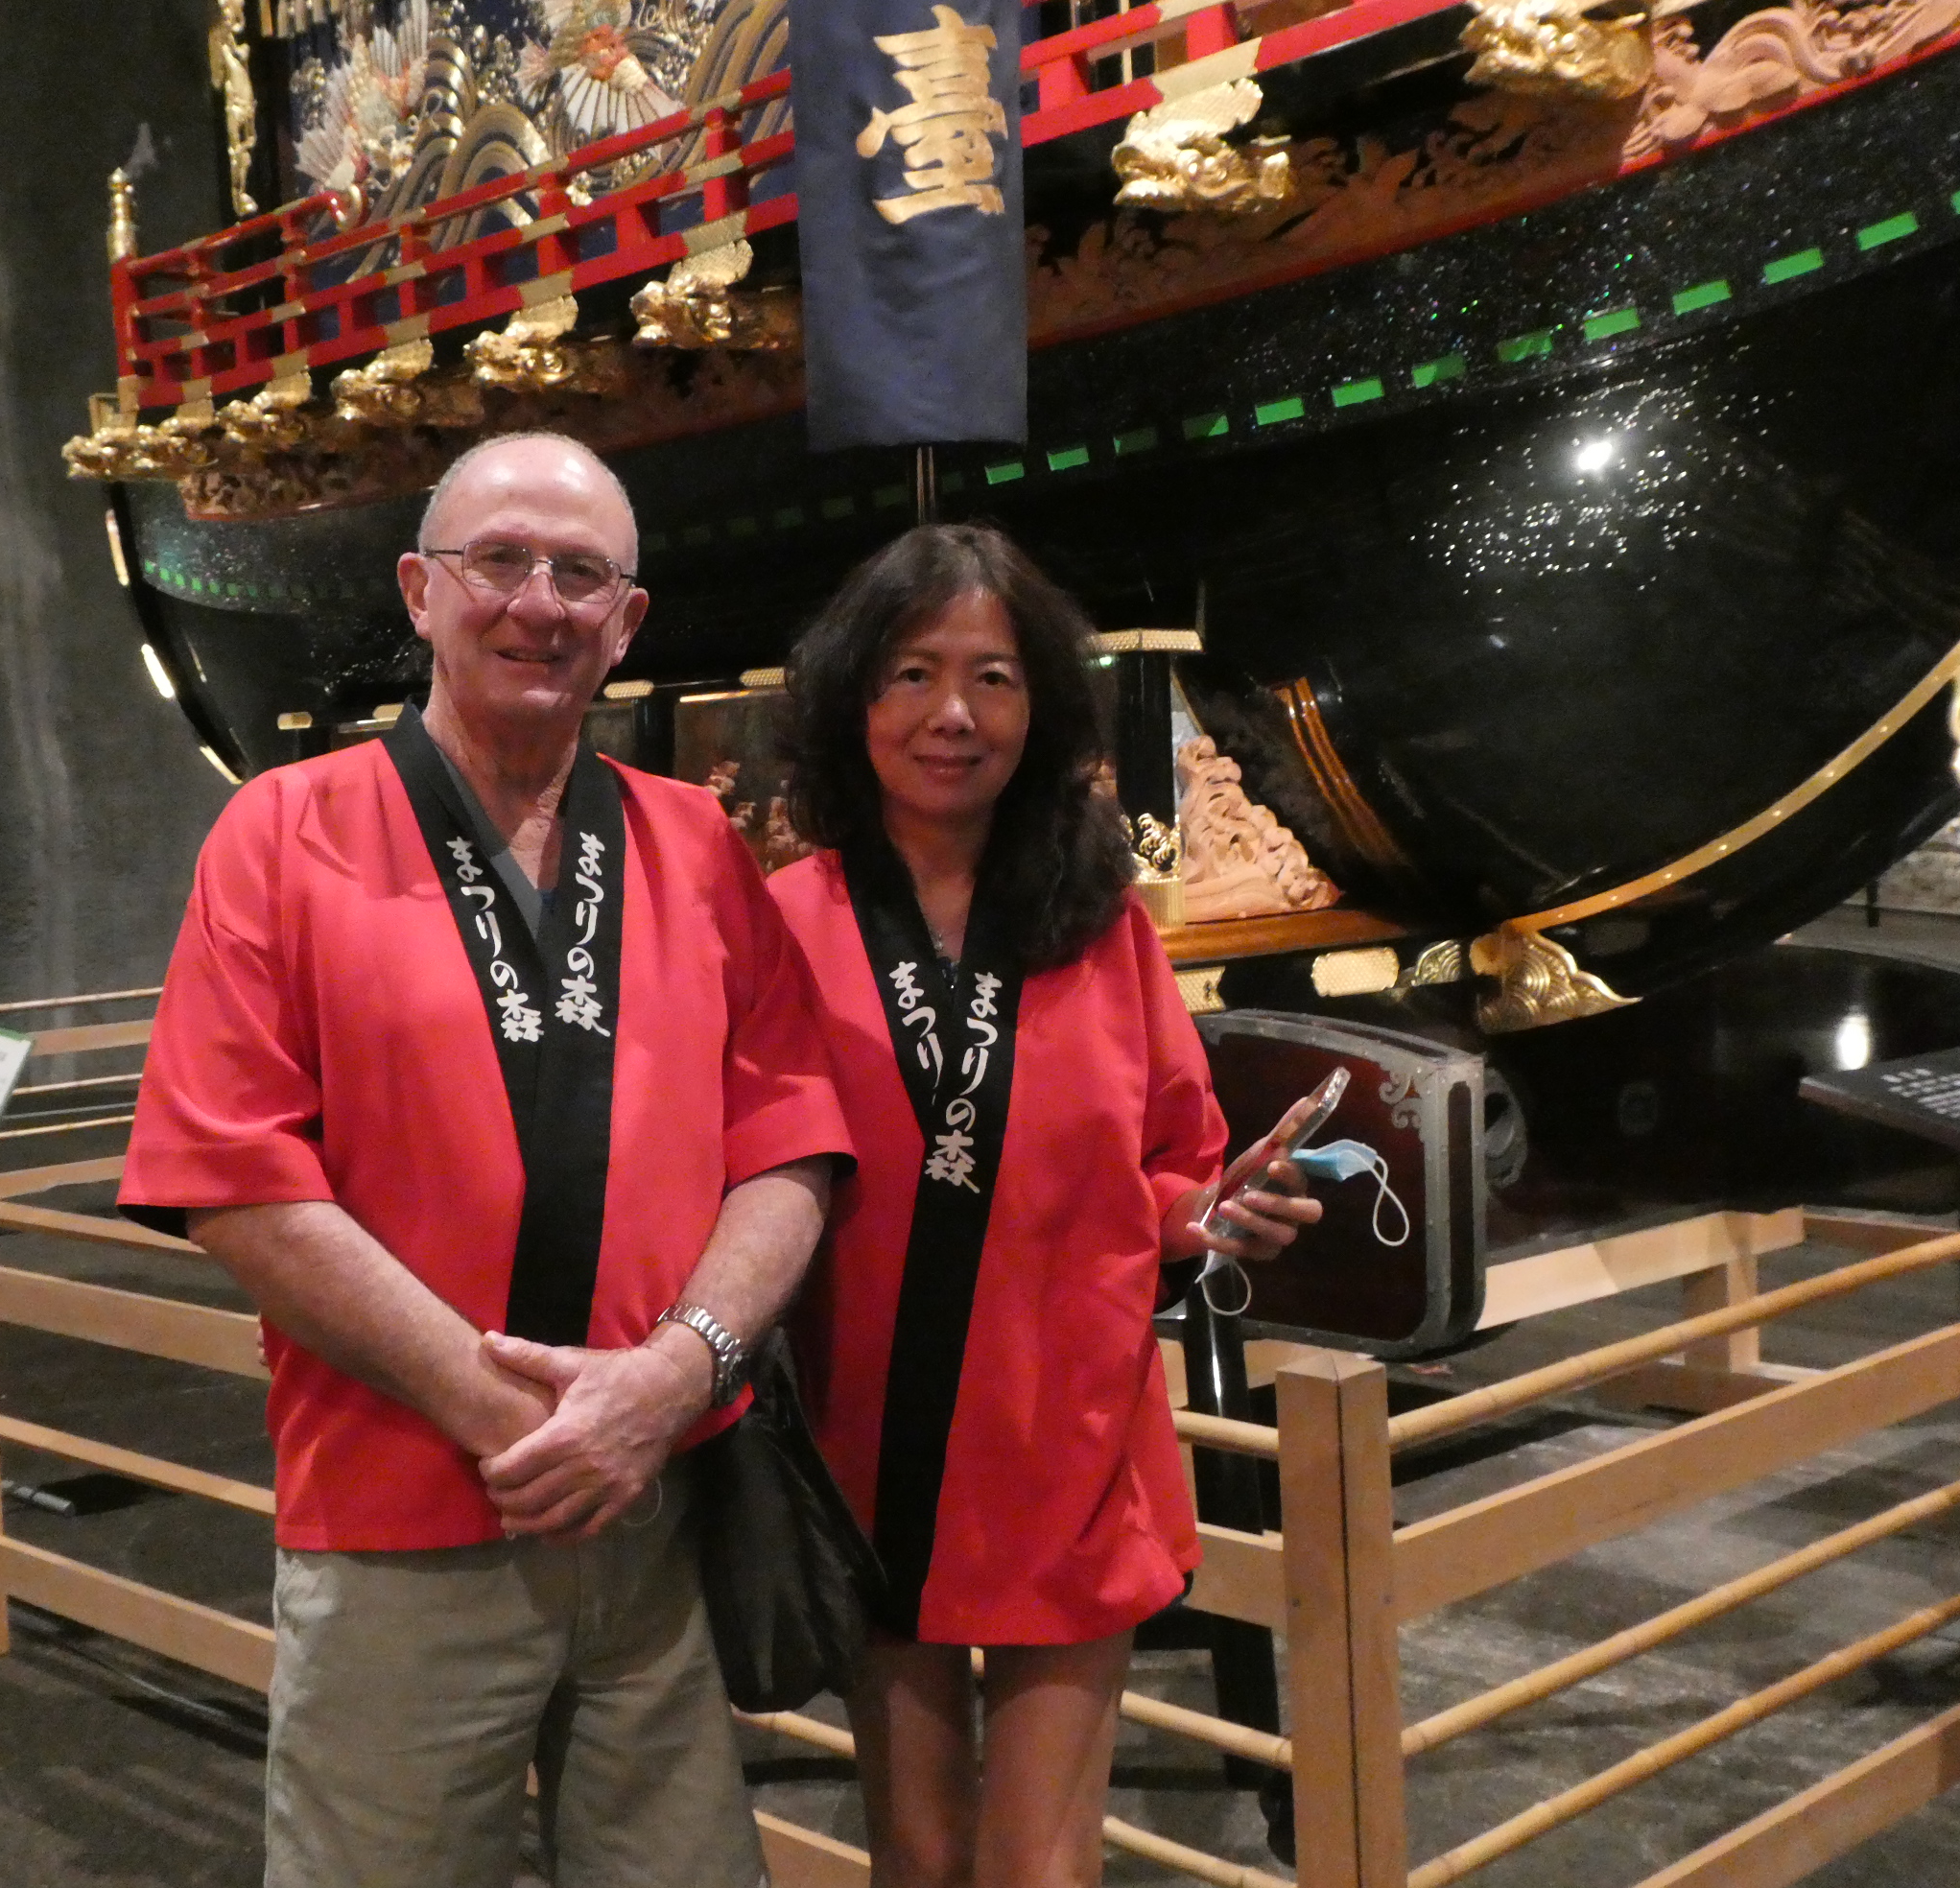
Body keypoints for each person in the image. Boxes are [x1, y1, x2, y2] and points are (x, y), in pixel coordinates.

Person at [118, 431, 853, 1888]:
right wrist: (517, 1420)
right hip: (402, 1512)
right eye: (498, 561)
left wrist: (667, 1383)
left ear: (628, 618)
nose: (541, 601)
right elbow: (231, 1175)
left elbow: (791, 1142)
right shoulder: (284, 830)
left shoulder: (695, 842)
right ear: (419, 591)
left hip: (655, 1514)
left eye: (583, 573)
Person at [766, 523, 1322, 1888]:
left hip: (1070, 1438)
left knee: (1040, 1867)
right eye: (911, 673)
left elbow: (1173, 1159)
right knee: (916, 1851)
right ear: (853, 698)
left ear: (1045, 705)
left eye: (996, 677)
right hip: (870, 1448)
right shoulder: (781, 921)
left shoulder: (1100, 923)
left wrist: (1212, 1212)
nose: (953, 714)